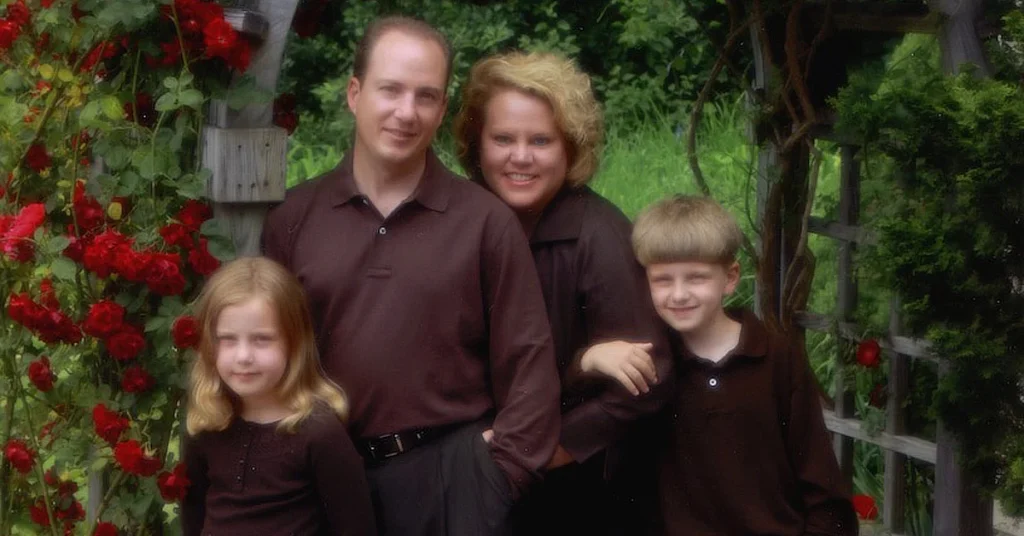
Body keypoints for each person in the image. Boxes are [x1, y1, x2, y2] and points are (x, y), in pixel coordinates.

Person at [261, 16, 561, 536]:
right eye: (390, 90)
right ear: (354, 93)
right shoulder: (295, 219)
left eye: (426, 96)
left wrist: (496, 480)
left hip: (450, 486)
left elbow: (529, 365)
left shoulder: (484, 221)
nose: (406, 112)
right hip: (322, 485)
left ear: (442, 109)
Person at [454, 51, 674, 535]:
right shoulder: (465, 224)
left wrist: (548, 451)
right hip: (481, 474)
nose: (521, 157)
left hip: (580, 493)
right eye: (503, 139)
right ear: (476, 144)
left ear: (571, 149)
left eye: (541, 141)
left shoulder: (600, 237)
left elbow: (648, 380)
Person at [631, 195, 858, 536]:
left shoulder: (776, 359)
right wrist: (587, 360)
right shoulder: (649, 363)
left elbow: (822, 486)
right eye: (663, 280)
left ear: (731, 277)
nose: (679, 295)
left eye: (696, 278)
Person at [180, 256, 376, 536]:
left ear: (294, 343)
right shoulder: (206, 425)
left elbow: (355, 527)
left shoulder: (319, 434)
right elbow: (193, 519)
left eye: (262, 339)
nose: (244, 356)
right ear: (210, 345)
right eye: (228, 339)